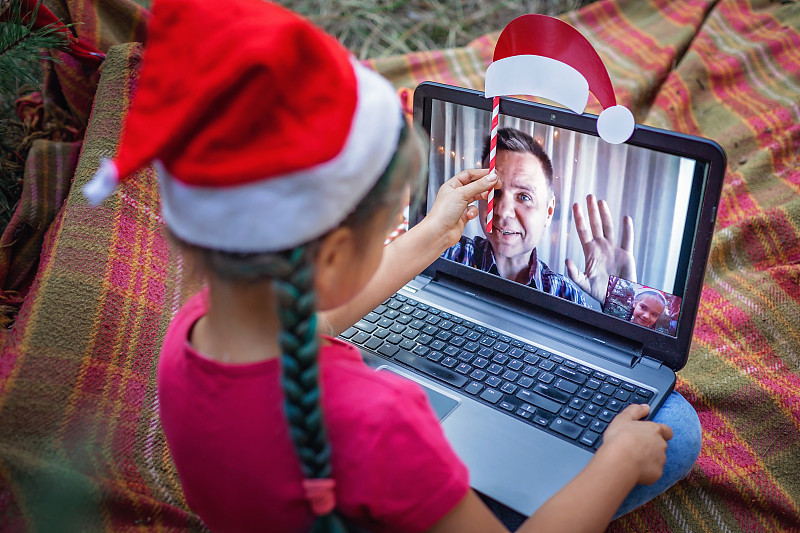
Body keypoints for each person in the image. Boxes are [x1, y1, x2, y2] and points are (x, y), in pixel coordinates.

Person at [83, 1, 700, 531]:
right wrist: (616, 463)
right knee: (675, 430)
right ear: (329, 256)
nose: (505, 214)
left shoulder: (193, 332)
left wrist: (432, 231)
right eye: (386, 226)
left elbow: (320, 312)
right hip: (388, 477)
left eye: (527, 198)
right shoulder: (383, 422)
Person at [443, 127, 636, 307]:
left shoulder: (563, 296)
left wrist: (621, 300)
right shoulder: (446, 254)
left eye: (524, 197)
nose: (503, 211)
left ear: (549, 212)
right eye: (494, 192)